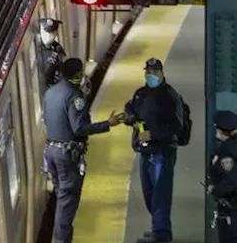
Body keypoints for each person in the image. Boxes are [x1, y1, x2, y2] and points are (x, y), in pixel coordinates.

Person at [44, 57, 124, 243]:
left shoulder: (50, 93)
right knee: (67, 202)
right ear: (78, 73)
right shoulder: (75, 96)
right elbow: (79, 128)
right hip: (67, 156)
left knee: (61, 197)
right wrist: (107, 124)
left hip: (51, 152)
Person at [124, 58, 185, 243]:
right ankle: (159, 229)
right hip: (145, 152)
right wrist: (129, 116)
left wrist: (153, 135)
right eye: (148, 72)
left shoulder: (170, 96)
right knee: (149, 193)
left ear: (162, 73)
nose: (151, 75)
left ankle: (161, 234)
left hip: (162, 152)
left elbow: (177, 126)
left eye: (154, 72)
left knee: (160, 194)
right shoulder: (141, 94)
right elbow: (130, 108)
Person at [207, 110, 237, 243]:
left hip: (231, 202)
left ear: (220, 131)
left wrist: (215, 190)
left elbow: (231, 180)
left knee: (229, 236)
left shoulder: (225, 151)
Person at [40, 17, 67, 88]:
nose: (51, 35)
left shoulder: (57, 49)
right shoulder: (34, 48)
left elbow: (62, 70)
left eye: (53, 31)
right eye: (48, 32)